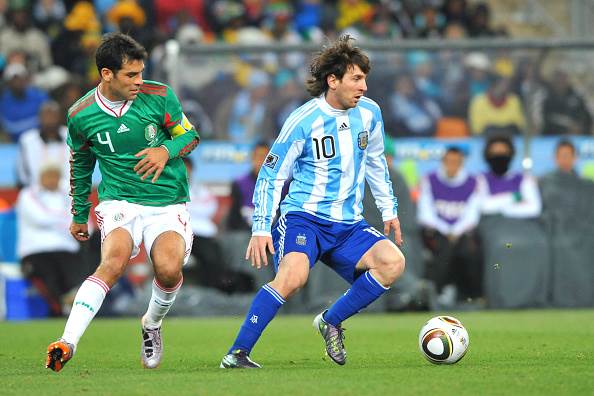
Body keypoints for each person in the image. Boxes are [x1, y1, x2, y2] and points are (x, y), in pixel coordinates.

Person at [220, 36, 405, 369]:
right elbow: (271, 175)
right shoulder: (303, 120)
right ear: (332, 81)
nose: (363, 85)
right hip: (304, 217)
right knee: (293, 278)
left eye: (365, 78)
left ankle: (330, 321)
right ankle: (237, 353)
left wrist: (389, 209)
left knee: (393, 263)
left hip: (349, 224)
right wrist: (261, 227)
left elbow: (376, 162)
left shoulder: (370, 113)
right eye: (356, 78)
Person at [45, 33, 200, 372]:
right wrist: (79, 214)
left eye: (141, 73)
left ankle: (152, 324)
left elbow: (190, 135)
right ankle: (67, 341)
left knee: (169, 270)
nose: (139, 81)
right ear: (107, 74)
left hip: (166, 200)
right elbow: (81, 164)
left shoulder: (159, 96)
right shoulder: (81, 114)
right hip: (119, 201)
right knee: (112, 263)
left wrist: (166, 150)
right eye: (131, 75)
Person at [16, 164, 87, 316]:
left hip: (66, 249)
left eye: (55, 176)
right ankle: (60, 309)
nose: (52, 180)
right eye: (49, 176)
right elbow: (41, 218)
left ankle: (75, 306)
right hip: (36, 250)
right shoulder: (28, 194)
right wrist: (67, 220)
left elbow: (87, 223)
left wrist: (68, 220)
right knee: (50, 277)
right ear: (40, 177)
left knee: (79, 273)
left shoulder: (67, 195)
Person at [417, 146, 482, 306]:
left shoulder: (472, 182)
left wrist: (456, 231)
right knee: (442, 250)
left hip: (462, 231)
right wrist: (447, 231)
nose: (452, 165)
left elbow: (472, 213)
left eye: (456, 162)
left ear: (462, 163)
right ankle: (438, 293)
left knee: (469, 253)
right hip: (437, 231)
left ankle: (470, 296)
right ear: (443, 162)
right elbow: (425, 213)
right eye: (449, 161)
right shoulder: (429, 179)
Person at [16, 101, 70, 189]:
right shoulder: (27, 140)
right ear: (39, 118)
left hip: (67, 193)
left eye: (53, 116)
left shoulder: (71, 136)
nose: (49, 120)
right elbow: (22, 174)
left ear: (60, 118)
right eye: (46, 116)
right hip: (37, 192)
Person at [226, 141, 271, 232]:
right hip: (245, 233)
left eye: (265, 157)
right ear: (252, 157)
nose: (261, 160)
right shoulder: (239, 184)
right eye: (258, 156)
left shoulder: (281, 185)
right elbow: (234, 218)